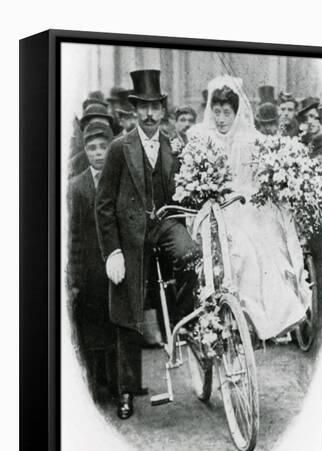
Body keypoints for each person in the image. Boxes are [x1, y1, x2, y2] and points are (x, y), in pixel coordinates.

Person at [96, 69, 199, 420]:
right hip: (130, 238)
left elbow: (185, 192)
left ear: (162, 109)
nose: (151, 114)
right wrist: (113, 250)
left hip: (166, 224)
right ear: (134, 110)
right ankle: (126, 391)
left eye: (156, 107)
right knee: (129, 314)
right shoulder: (118, 149)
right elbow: (104, 205)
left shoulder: (173, 145)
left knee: (192, 256)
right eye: (144, 108)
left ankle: (188, 320)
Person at [187, 75, 311, 342]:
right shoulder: (199, 138)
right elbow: (193, 182)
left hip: (242, 207)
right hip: (211, 210)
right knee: (242, 250)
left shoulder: (249, 140)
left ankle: (266, 320)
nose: (220, 119)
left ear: (236, 112)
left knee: (266, 245)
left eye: (226, 113)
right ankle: (240, 317)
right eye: (217, 112)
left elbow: (255, 181)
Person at [67, 121, 117, 401]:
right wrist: (74, 276)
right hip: (89, 271)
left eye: (103, 147)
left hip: (114, 267)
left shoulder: (119, 180)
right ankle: (94, 386)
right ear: (84, 151)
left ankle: (115, 385)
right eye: (91, 148)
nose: (98, 153)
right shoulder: (76, 187)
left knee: (113, 330)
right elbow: (72, 234)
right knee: (91, 332)